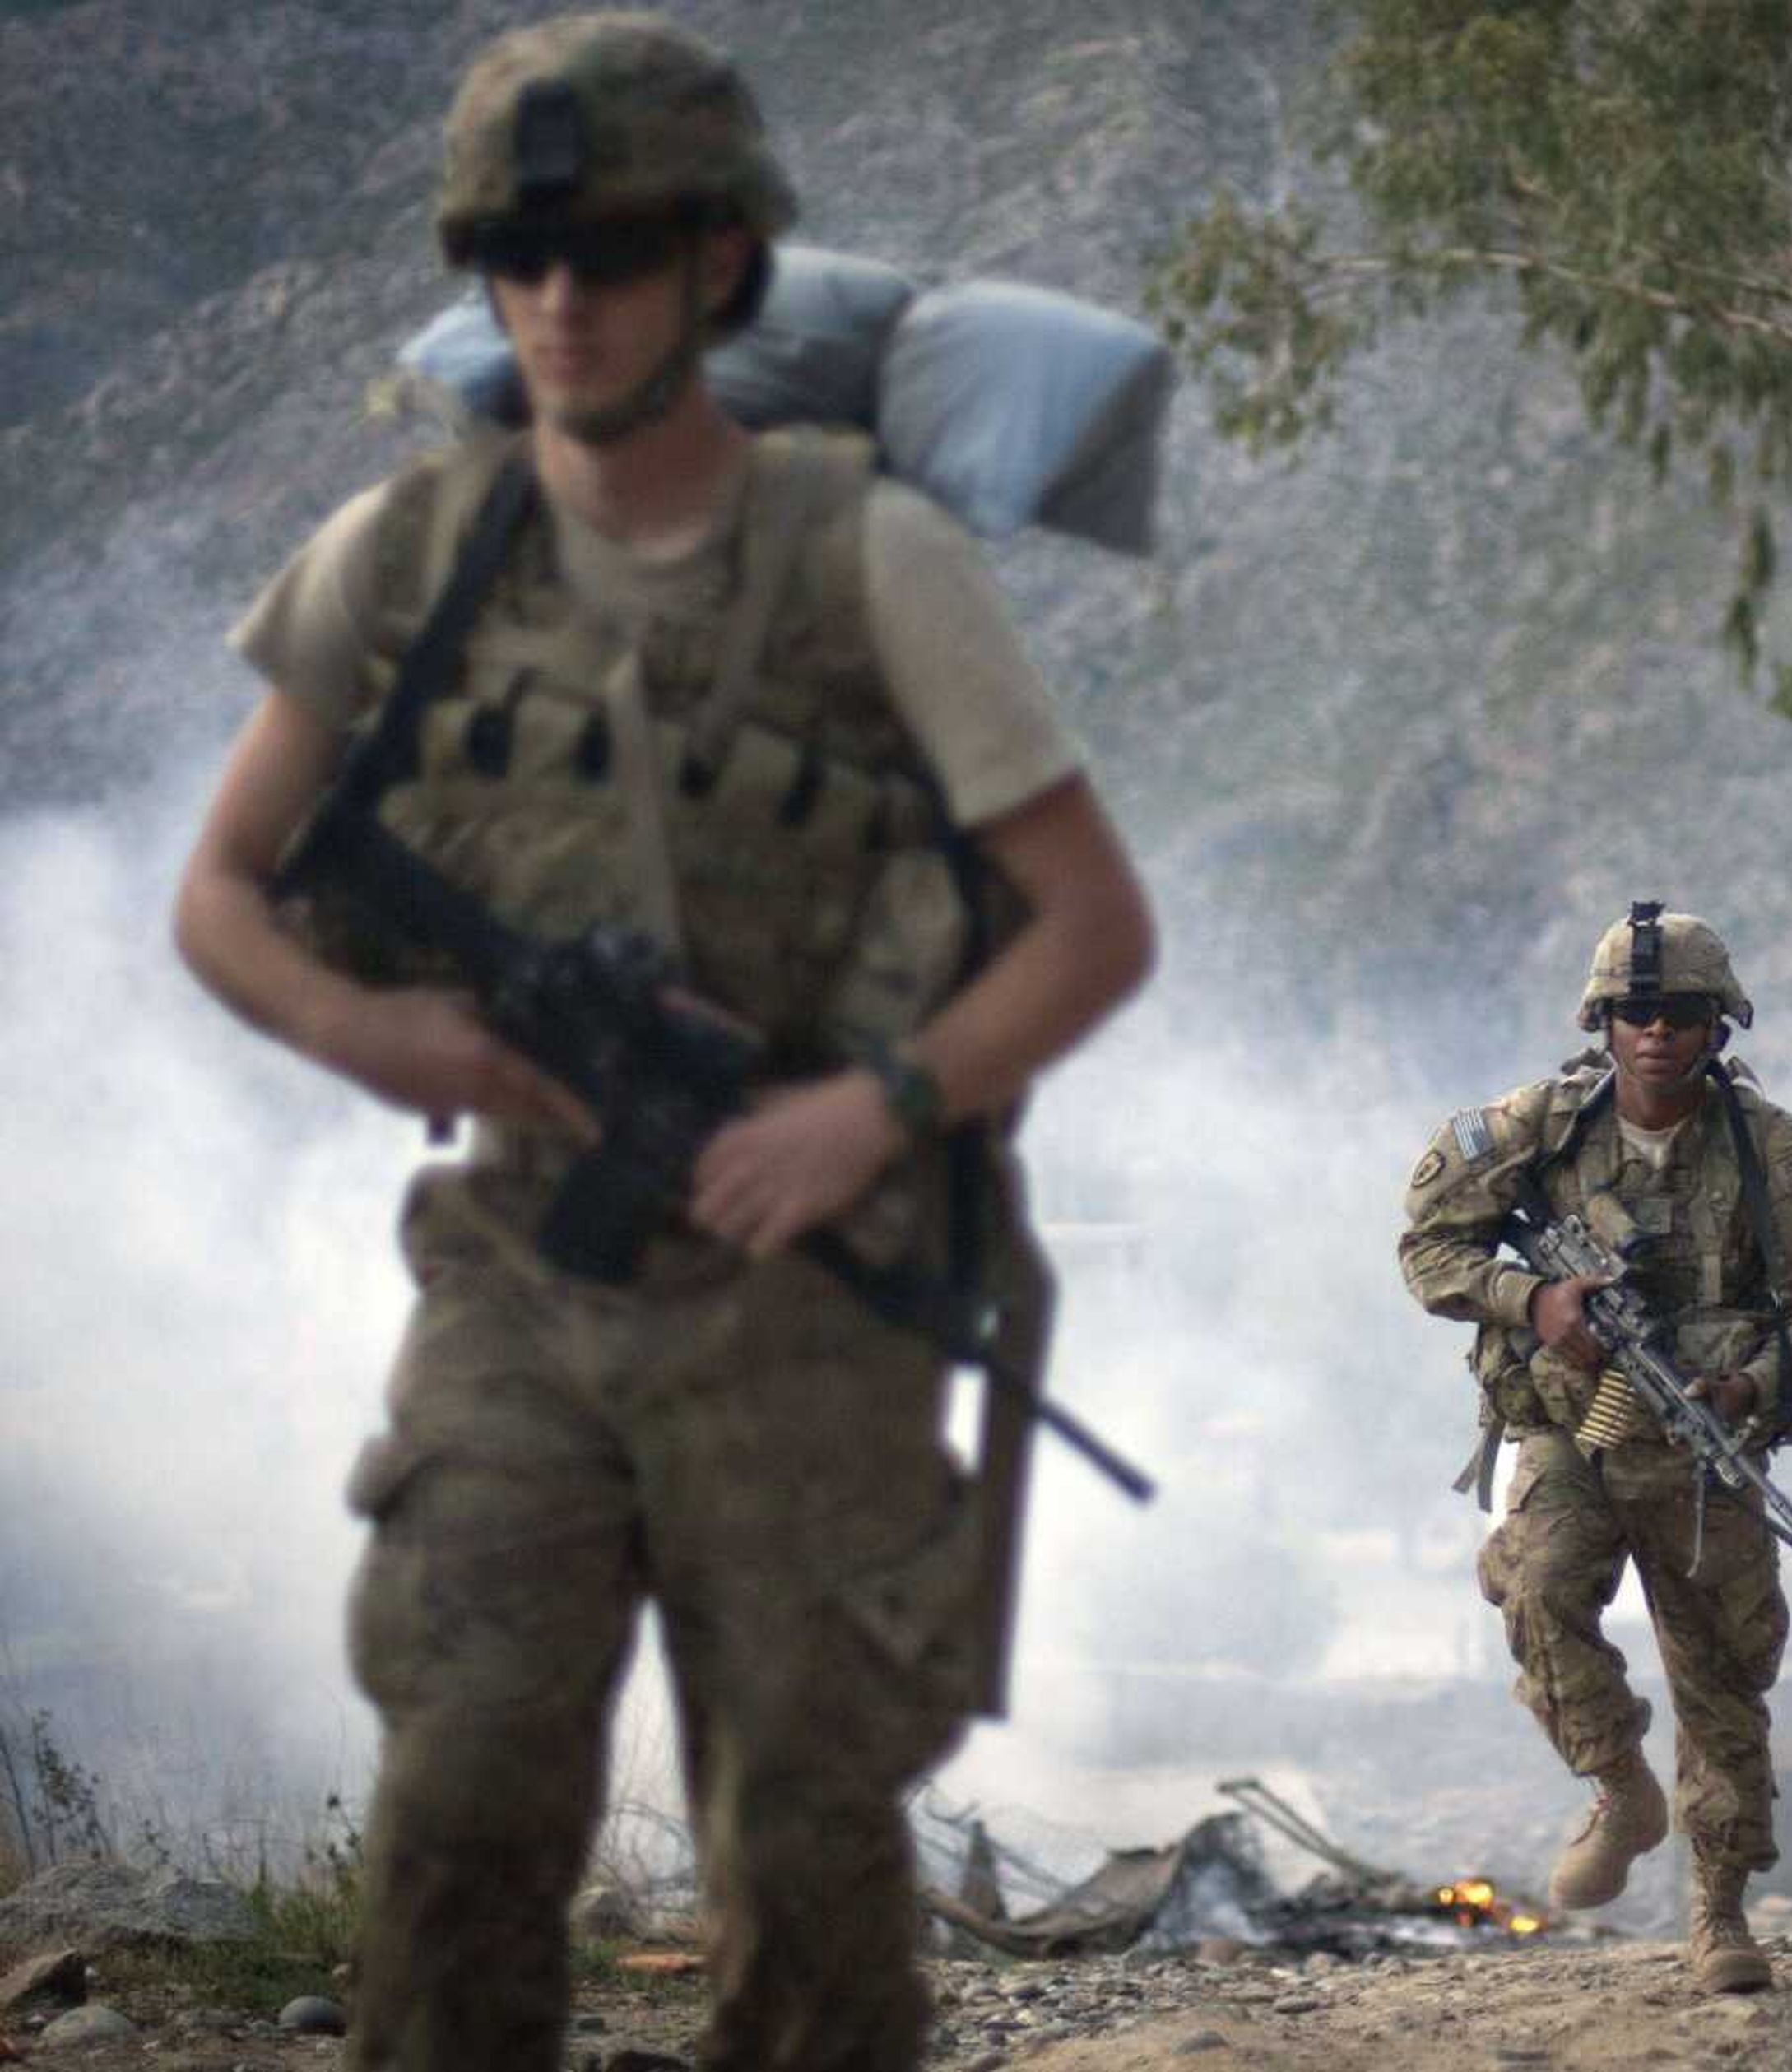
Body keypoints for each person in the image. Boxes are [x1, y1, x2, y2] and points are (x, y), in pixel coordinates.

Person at [167, 15, 1154, 2070]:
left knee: (805, 1868)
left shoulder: (869, 559)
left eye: (605, 252)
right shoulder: (410, 558)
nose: (555, 299)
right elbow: (221, 891)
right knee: (459, 1809)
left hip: (806, 1306)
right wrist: (371, 1024)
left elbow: (1088, 926)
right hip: (524, 1273)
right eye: (512, 259)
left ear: (715, 266)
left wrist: (863, 1111)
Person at [1399, 904, 1792, 1994]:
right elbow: (1427, 1244)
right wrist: (1532, 1297)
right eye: (1637, 1012)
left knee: (1722, 1678)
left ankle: (1718, 1910)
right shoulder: (1538, 1129)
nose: (1657, 1032)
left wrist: (1750, 1382)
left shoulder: (1776, 1155)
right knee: (1540, 1585)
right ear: (1603, 1022)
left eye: (1683, 1013)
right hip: (1573, 1425)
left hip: (1706, 1449)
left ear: (1719, 1026)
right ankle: (1620, 1782)